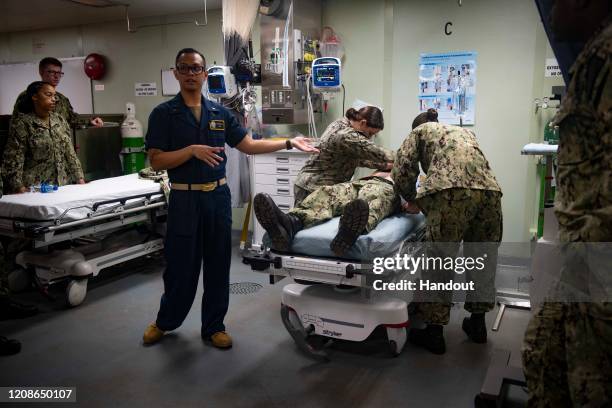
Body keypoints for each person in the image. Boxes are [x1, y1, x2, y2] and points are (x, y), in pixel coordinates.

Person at [142, 48, 317, 349]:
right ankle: (165, 321)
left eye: (196, 69)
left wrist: (289, 141)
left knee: (218, 265)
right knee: (181, 267)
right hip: (185, 200)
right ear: (176, 73)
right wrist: (191, 151)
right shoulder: (163, 114)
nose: (190, 74)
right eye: (184, 68)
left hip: (217, 199)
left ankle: (213, 327)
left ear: (205, 73)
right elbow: (156, 161)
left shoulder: (219, 114)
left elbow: (248, 144)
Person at [522, 1, 611, 406]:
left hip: (598, 260)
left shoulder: (605, 59)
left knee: (588, 384)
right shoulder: (593, 56)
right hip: (581, 255)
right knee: (543, 356)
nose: (552, 10)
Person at [391, 108, 503, 354]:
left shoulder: (418, 131)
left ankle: (434, 333)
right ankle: (477, 325)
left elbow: (402, 169)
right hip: (490, 192)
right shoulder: (462, 132)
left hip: (450, 192)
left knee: (440, 261)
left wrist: (412, 200)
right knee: (482, 258)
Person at [254, 171, 399, 256]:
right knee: (327, 192)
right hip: (358, 183)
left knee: (372, 199)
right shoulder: (387, 164)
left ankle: (349, 231)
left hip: (387, 187)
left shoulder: (410, 174)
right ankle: (292, 223)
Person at [293, 106, 395, 205]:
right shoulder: (346, 135)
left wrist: (385, 166)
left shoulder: (342, 122)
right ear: (363, 123)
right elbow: (376, 151)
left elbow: (357, 159)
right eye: (370, 133)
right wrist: (404, 157)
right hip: (312, 187)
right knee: (305, 220)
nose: (370, 137)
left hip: (316, 186)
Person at [2, 81, 85, 194]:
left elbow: (70, 153)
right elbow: (13, 160)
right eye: (48, 95)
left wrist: (79, 178)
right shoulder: (23, 123)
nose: (54, 99)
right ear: (35, 97)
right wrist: (19, 188)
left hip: (62, 186)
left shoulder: (59, 120)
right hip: (35, 189)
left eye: (54, 96)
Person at [12, 57, 103, 128]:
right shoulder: (29, 95)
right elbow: (16, 124)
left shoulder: (62, 99)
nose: (57, 76)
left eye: (59, 73)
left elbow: (72, 119)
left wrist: (90, 121)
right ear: (41, 72)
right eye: (52, 72)